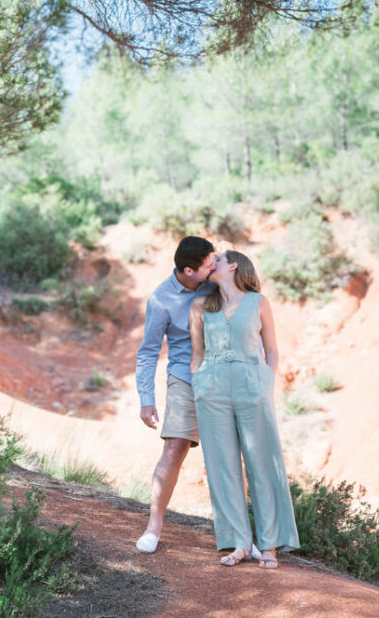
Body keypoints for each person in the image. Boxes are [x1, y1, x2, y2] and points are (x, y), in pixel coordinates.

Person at [189, 250, 300, 569]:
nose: (212, 265)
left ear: (233, 266)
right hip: (212, 389)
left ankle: (269, 545)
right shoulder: (201, 306)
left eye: (218, 260)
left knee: (262, 462)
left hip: (253, 385)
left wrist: (267, 381)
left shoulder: (258, 302)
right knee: (222, 466)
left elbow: (272, 348)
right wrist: (199, 382)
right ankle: (239, 543)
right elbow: (197, 353)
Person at [134, 236, 216, 554]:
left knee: (232, 455)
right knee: (174, 449)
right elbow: (148, 352)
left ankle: (241, 533)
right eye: (208, 264)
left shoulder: (218, 283)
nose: (214, 267)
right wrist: (146, 399)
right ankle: (153, 528)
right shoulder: (161, 300)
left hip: (224, 377)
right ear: (189, 270)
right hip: (184, 377)